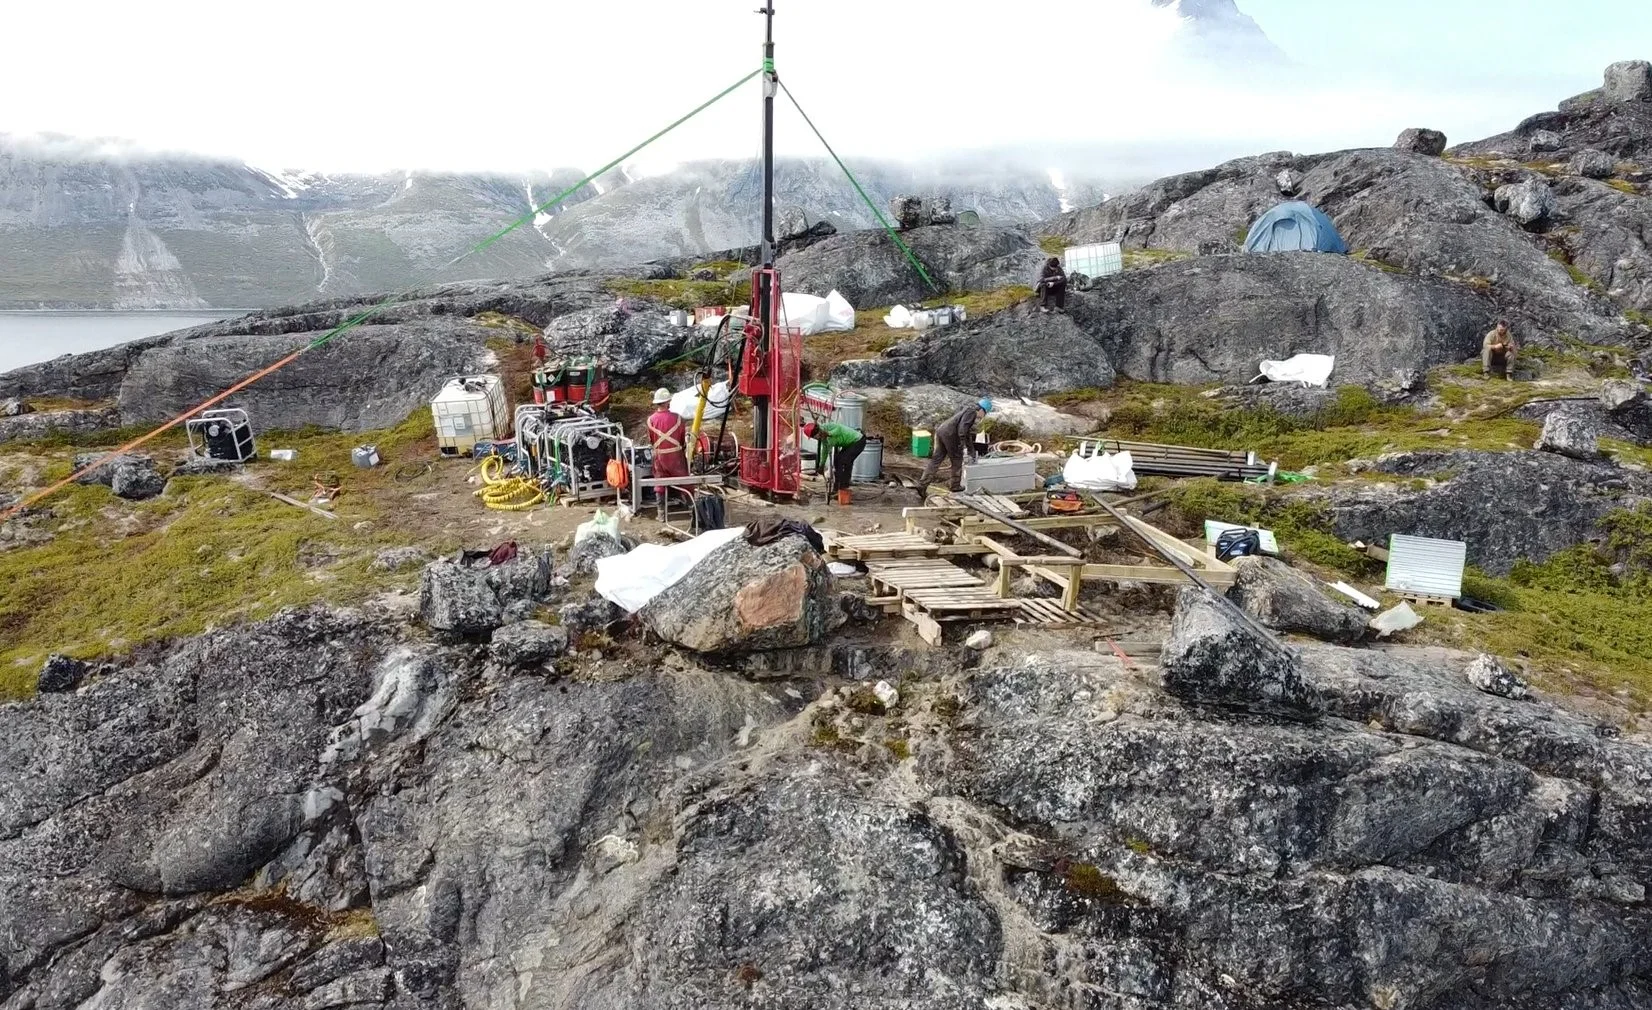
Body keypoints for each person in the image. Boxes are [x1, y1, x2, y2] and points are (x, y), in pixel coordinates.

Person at [915, 398, 990, 499]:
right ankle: (955, 486)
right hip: (950, 435)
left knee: (936, 460)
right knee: (957, 459)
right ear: (982, 410)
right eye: (985, 413)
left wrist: (971, 449)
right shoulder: (972, 413)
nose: (983, 417)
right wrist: (961, 445)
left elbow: (966, 433)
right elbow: (962, 430)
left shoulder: (967, 409)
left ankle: (922, 484)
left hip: (941, 431)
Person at [803, 420, 867, 505]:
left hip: (858, 441)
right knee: (837, 461)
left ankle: (843, 487)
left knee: (844, 461)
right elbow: (825, 451)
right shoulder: (824, 439)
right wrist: (821, 465)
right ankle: (836, 488)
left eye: (815, 436)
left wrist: (829, 433)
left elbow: (839, 428)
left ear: (817, 432)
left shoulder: (828, 427)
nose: (817, 438)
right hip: (848, 445)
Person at [644, 387, 688, 479]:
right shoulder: (677, 418)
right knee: (684, 484)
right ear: (668, 401)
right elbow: (682, 440)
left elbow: (651, 441)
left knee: (660, 485)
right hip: (676, 459)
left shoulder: (650, 420)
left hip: (660, 459)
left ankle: (660, 492)